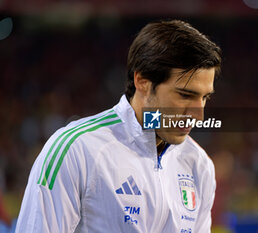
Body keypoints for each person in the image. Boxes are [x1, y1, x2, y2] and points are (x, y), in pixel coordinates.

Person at [16, 19, 222, 232]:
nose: (198, 115)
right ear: (142, 82)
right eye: (185, 95)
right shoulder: (76, 149)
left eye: (205, 97)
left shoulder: (199, 165)